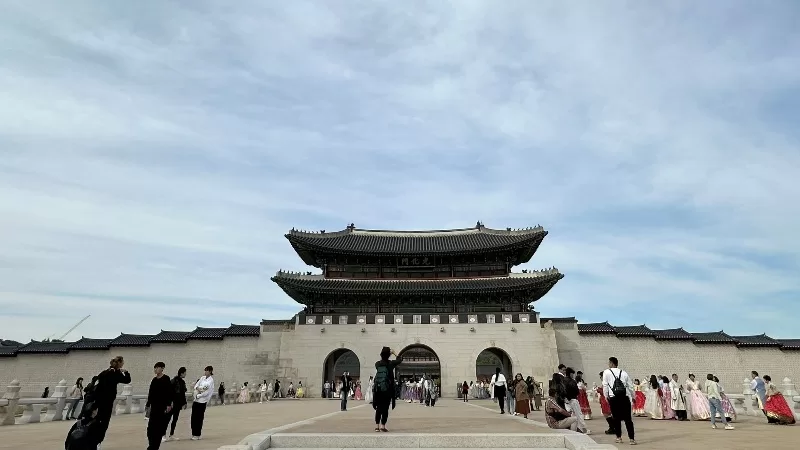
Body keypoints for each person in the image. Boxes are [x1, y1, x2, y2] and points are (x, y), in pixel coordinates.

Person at [93, 356, 132, 449]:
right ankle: (98, 442)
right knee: (104, 422)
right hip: (107, 401)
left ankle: (92, 439)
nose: (123, 363)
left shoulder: (105, 372)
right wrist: (125, 372)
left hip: (98, 401)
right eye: (122, 362)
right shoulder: (116, 373)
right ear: (120, 363)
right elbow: (127, 380)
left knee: (96, 420)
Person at [602, 357, 636, 445]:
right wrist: (633, 396)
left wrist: (606, 396)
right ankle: (632, 439)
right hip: (624, 398)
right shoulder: (624, 373)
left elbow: (605, 385)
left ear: (611, 363)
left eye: (609, 363)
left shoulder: (606, 372)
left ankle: (619, 437)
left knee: (616, 418)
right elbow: (630, 386)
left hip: (613, 398)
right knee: (628, 419)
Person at [373, 346, 403, 432]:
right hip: (387, 389)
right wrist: (394, 353)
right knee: (385, 408)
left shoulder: (377, 364)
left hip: (378, 389)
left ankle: (377, 426)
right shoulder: (391, 363)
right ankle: (383, 426)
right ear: (389, 355)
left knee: (379, 407)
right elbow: (400, 360)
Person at [145, 362, 174, 450]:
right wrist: (148, 404)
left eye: (157, 368)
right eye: (155, 368)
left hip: (162, 407)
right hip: (153, 407)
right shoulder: (154, 380)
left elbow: (169, 392)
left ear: (162, 368)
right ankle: (151, 445)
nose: (155, 370)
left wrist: (168, 404)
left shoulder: (166, 379)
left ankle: (154, 447)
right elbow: (151, 393)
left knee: (158, 429)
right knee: (150, 430)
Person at [191, 366, 214, 440]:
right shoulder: (202, 378)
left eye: (207, 371)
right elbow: (196, 386)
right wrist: (199, 389)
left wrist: (199, 395)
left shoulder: (211, 381)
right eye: (205, 370)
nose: (205, 372)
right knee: (193, 417)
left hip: (202, 401)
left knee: (199, 418)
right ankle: (193, 433)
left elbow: (207, 392)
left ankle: (197, 434)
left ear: (210, 371)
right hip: (196, 400)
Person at [164, 366, 187, 442]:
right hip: (172, 403)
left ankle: (171, 434)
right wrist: (169, 403)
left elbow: (182, 394)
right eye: (185, 373)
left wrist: (184, 403)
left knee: (175, 419)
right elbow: (169, 392)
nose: (185, 374)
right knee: (167, 419)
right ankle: (163, 435)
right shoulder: (174, 381)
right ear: (181, 373)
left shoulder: (182, 382)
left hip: (178, 404)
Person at [564, 368, 589, 433]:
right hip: (573, 399)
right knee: (579, 414)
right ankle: (583, 429)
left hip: (566, 401)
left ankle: (573, 429)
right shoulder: (572, 381)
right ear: (571, 374)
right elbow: (577, 391)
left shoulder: (563, 380)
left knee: (571, 415)